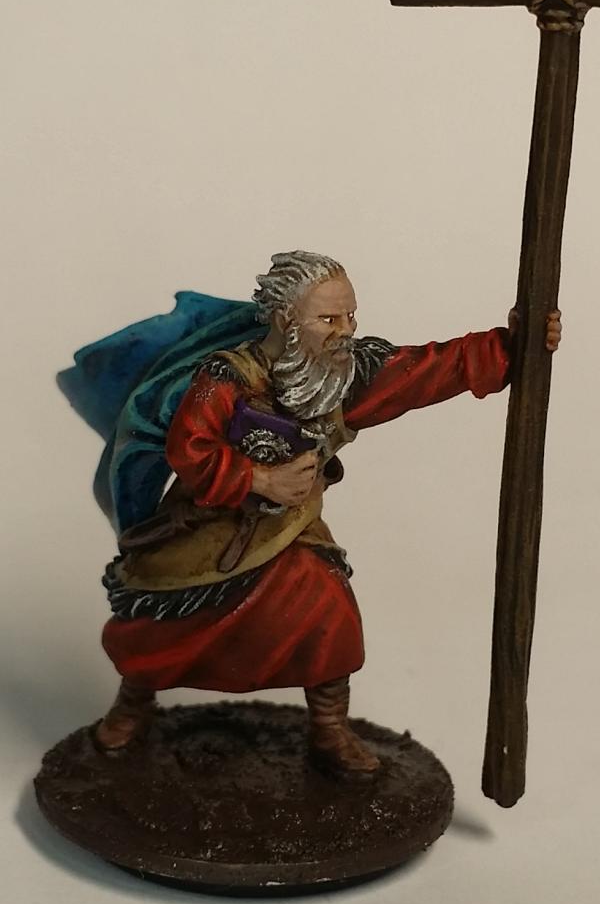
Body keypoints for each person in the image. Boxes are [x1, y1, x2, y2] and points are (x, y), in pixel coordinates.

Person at [90, 250, 560, 778]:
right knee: (156, 619)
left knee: (329, 606)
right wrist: (259, 479)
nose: (346, 330)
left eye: (350, 315)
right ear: (285, 320)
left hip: (290, 528)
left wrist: (511, 346)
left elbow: (428, 369)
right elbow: (190, 448)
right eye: (329, 318)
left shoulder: (346, 376)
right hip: (207, 524)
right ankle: (132, 704)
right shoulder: (226, 378)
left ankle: (330, 727)